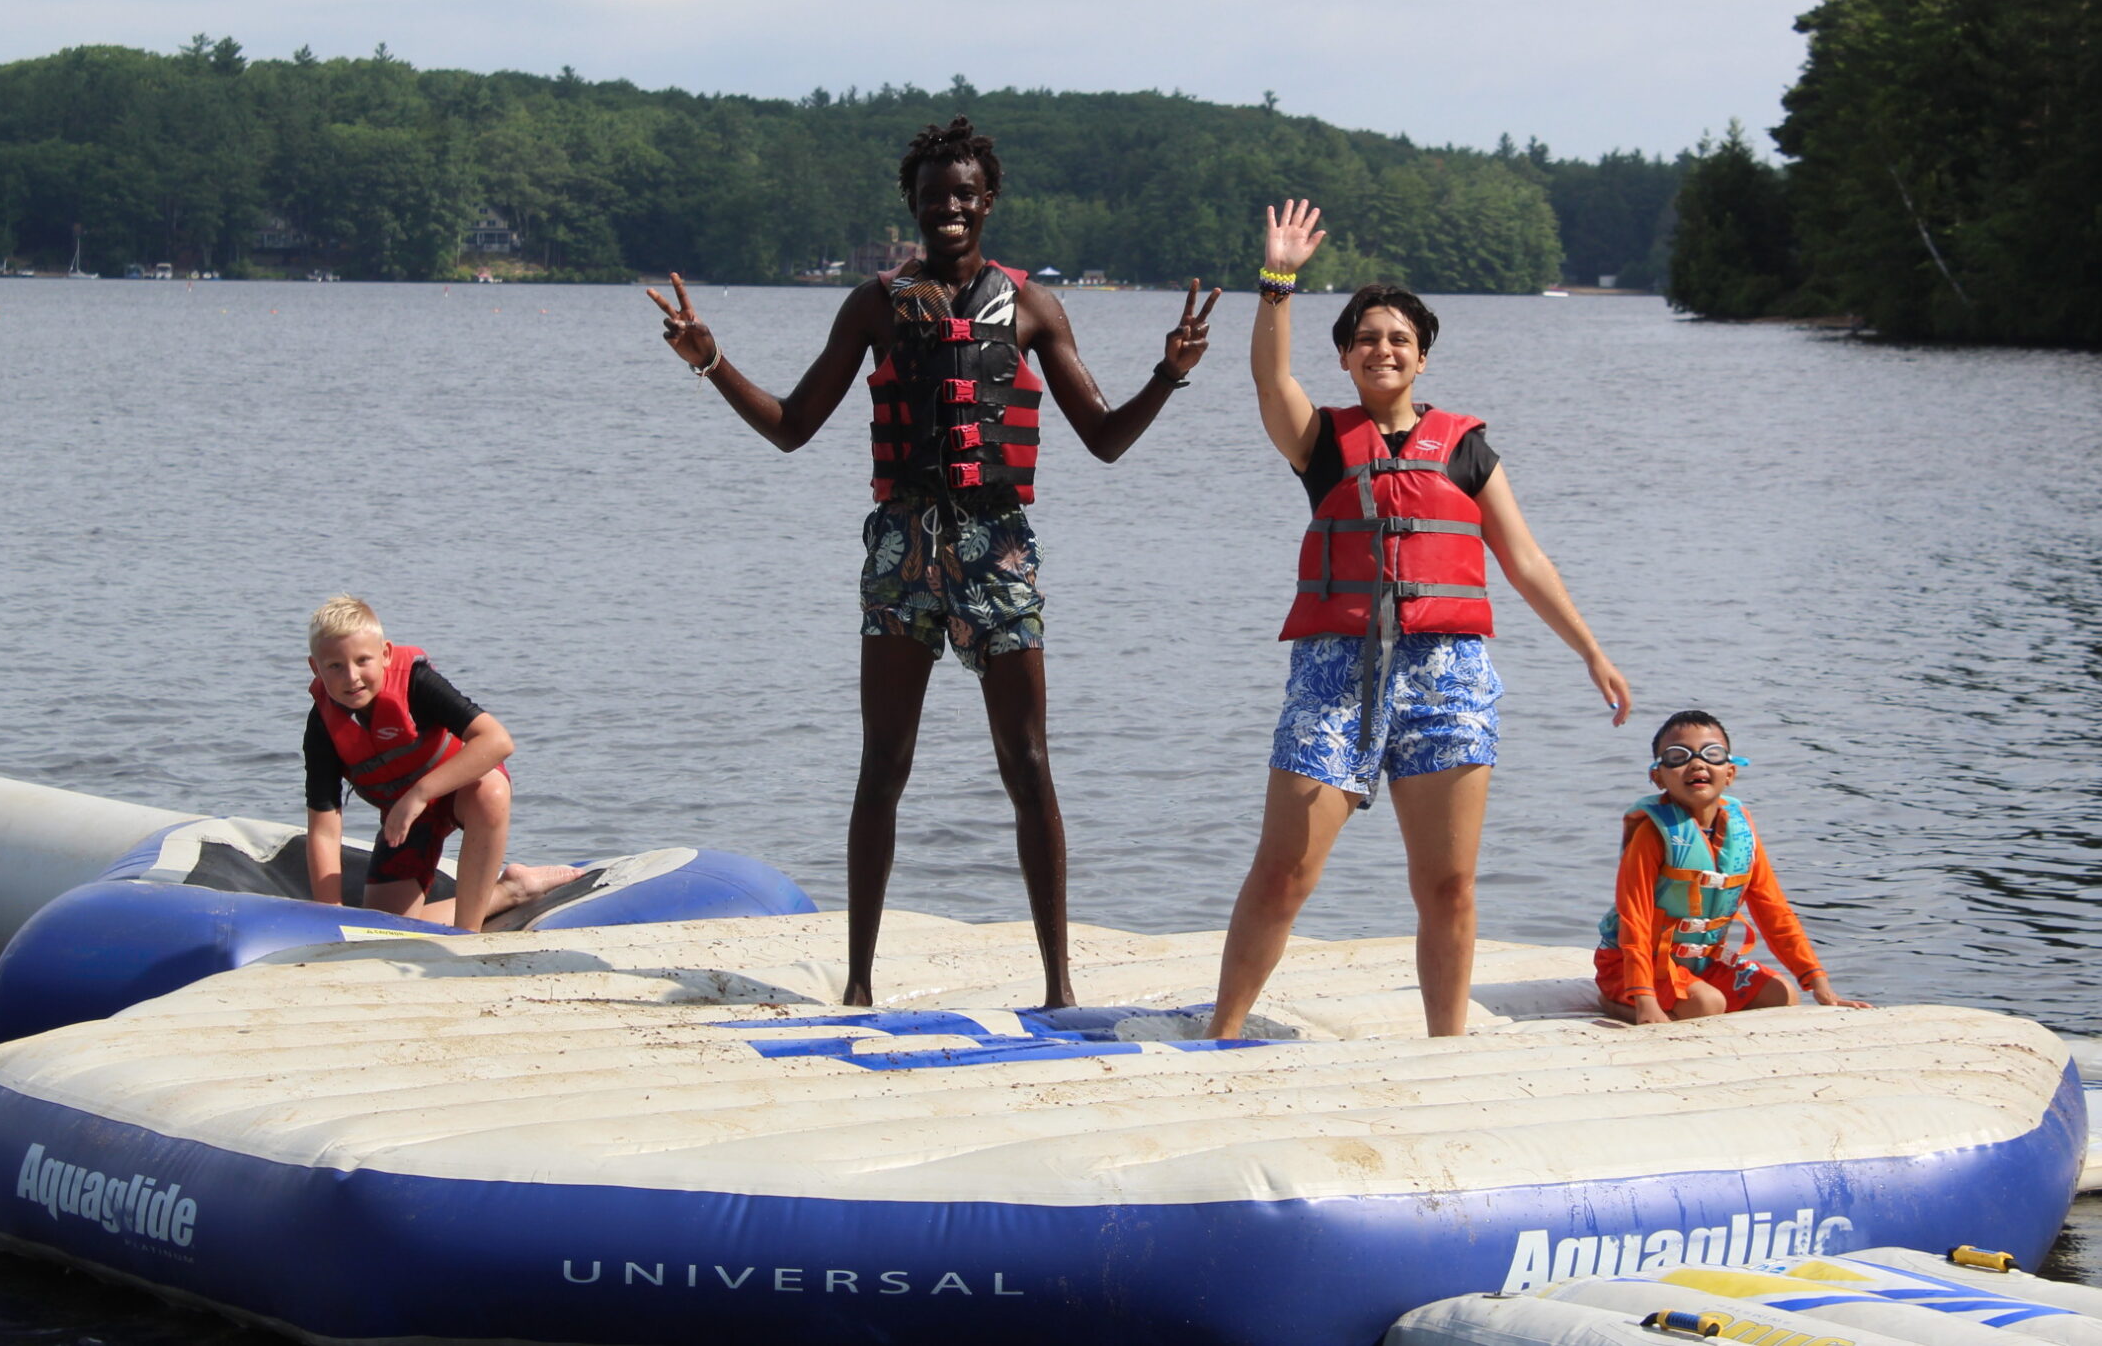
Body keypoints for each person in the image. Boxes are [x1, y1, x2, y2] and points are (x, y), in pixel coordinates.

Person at [646, 116, 1219, 1010]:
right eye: (932, 196)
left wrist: (1168, 372)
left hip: (997, 549)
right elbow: (794, 426)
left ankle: (1060, 987)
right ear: (911, 205)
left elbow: (1104, 439)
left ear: (988, 201)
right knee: (885, 762)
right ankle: (861, 982)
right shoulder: (876, 303)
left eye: (964, 194)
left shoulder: (1031, 307)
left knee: (1027, 762)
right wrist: (710, 360)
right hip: (904, 546)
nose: (948, 208)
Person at [1207, 198, 1633, 1040]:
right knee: (1285, 869)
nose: (1383, 349)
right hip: (1337, 671)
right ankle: (1220, 1032)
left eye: (1399, 338)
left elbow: (1525, 559)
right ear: (1345, 356)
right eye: (1367, 338)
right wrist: (1276, 280)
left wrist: (1591, 650)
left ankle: (1446, 1050)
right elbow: (1268, 377)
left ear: (1422, 358)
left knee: (1449, 885)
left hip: (1449, 675)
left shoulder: (1468, 449)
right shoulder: (1320, 440)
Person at [302, 594, 581, 932]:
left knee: (491, 791)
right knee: (386, 928)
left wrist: (417, 795)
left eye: (363, 660)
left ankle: (468, 935)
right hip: (409, 819)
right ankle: (511, 889)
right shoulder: (322, 725)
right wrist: (329, 917)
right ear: (316, 668)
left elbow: (497, 741)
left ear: (386, 654)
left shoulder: (417, 683)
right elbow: (325, 828)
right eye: (335, 666)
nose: (352, 677)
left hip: (458, 793)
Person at [1594, 709, 1872, 1023]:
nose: (1697, 763)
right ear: (1658, 776)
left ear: (1730, 772)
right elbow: (1636, 918)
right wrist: (1644, 999)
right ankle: (1614, 1003)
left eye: (1711, 754)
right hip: (1627, 965)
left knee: (1783, 995)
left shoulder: (1741, 829)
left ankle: (1685, 994)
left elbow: (1772, 908)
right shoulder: (1652, 834)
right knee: (1706, 1005)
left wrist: (1818, 984)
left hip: (1702, 961)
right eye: (1678, 756)